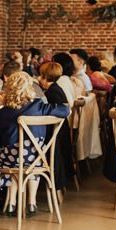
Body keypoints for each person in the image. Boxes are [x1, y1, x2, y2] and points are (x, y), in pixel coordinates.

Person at [0, 71, 69, 216]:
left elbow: (1, 139)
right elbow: (65, 109)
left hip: (11, 158)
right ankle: (32, 202)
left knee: (9, 162)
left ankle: (11, 202)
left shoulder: (4, 112)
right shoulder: (39, 106)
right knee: (32, 164)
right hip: (36, 157)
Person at [38, 61, 74, 191]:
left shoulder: (51, 93)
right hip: (60, 134)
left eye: (40, 75)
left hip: (54, 137)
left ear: (44, 76)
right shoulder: (56, 88)